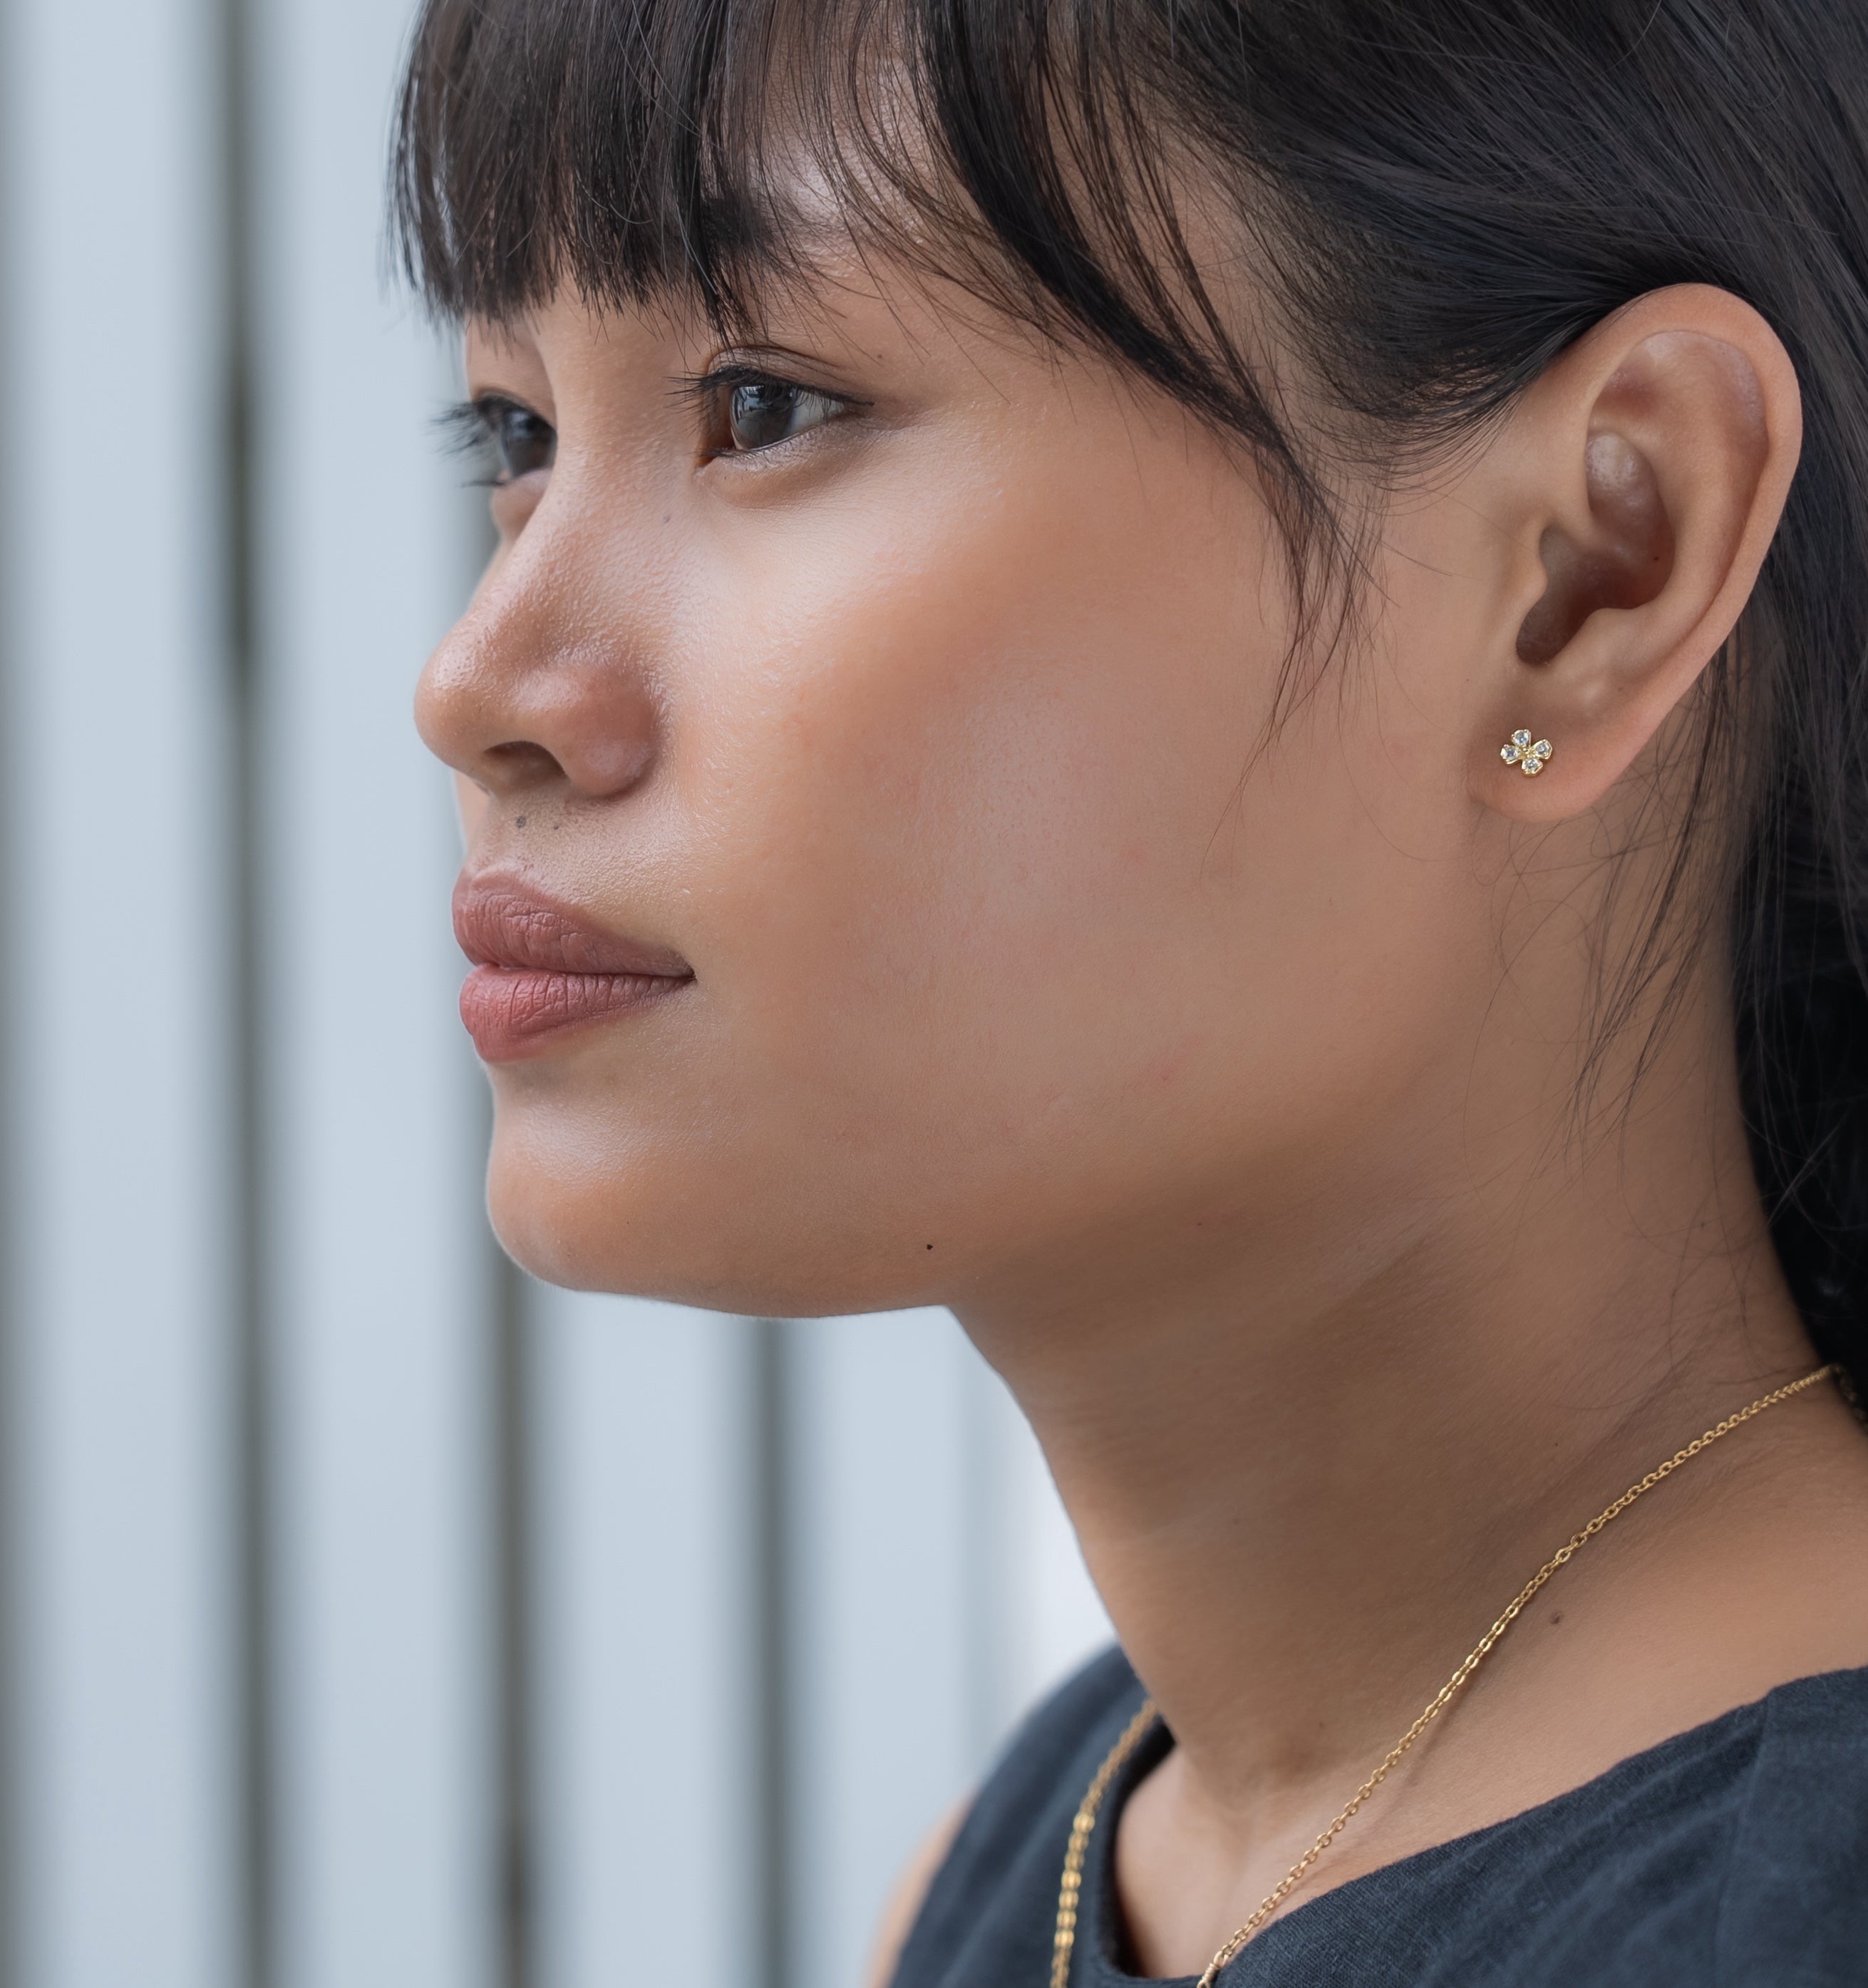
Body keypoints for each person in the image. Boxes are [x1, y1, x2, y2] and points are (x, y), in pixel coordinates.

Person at [397, 2, 1868, 1982]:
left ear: (1595, 563)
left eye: (764, 404)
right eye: (516, 436)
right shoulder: (1062, 1854)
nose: (481, 689)